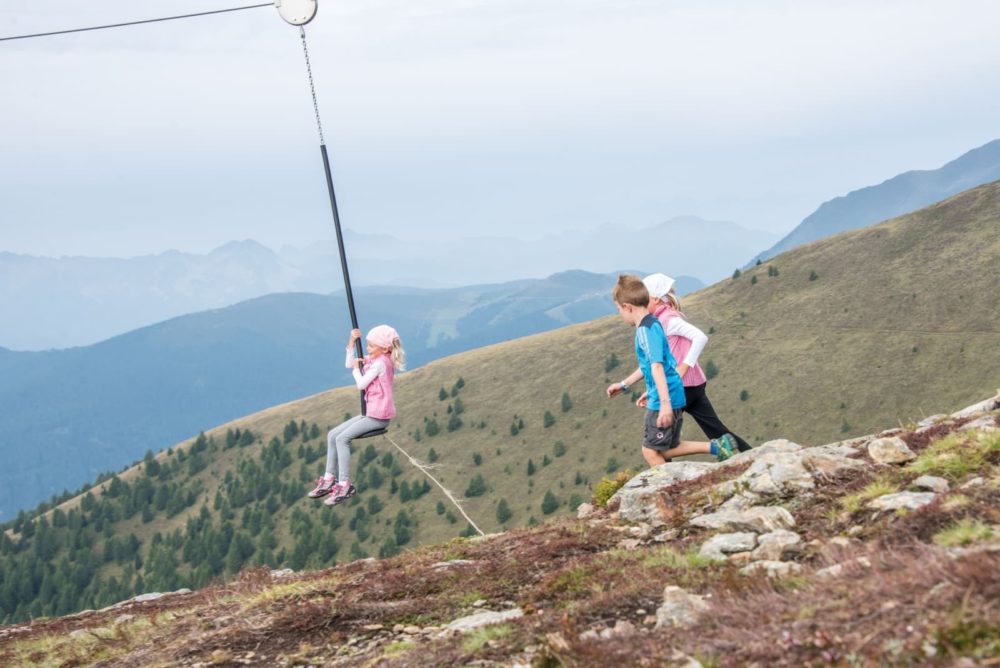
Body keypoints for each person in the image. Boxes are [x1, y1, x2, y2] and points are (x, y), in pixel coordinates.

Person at [608, 275, 735, 467]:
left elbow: (657, 366)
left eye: (619, 309)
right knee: (666, 446)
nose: (620, 314)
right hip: (672, 391)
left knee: (650, 450)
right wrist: (624, 385)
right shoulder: (655, 322)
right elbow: (651, 364)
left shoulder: (645, 331)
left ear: (628, 306)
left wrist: (665, 404)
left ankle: (667, 490)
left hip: (664, 397)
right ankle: (716, 447)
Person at [308, 324, 405, 506]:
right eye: (367, 345)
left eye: (371, 346)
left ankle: (344, 484)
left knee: (342, 439)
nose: (368, 349)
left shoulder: (380, 364)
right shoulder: (377, 358)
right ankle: (329, 479)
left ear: (384, 348)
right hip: (370, 413)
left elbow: (361, 384)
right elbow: (349, 363)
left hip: (378, 417)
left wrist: (355, 369)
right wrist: (351, 343)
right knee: (332, 435)